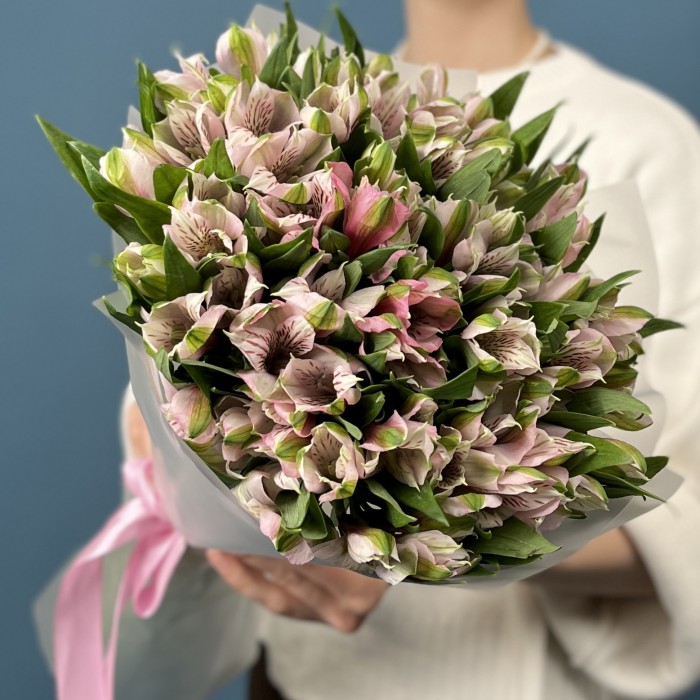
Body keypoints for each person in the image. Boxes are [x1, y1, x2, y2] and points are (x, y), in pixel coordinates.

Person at [38, 1, 700, 698]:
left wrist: (405, 548)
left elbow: (684, 531)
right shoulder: (318, 97)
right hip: (294, 679)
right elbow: (174, 400)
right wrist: (193, 482)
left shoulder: (648, 142)